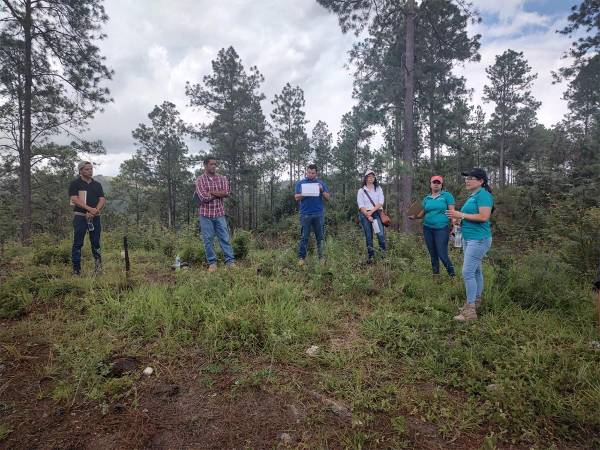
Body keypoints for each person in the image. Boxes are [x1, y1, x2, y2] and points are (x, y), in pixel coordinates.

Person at [446, 168, 494, 322]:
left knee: (467, 272)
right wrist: (459, 220)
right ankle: (476, 302)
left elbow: (484, 217)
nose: (467, 180)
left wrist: (461, 215)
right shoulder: (473, 196)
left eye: (471, 178)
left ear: (481, 181)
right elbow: (471, 216)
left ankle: (470, 312)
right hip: (469, 238)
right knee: (476, 271)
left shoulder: (484, 195)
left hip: (478, 239)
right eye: (466, 178)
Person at [409, 175, 456, 278]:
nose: (436, 184)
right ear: (430, 184)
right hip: (427, 229)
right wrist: (414, 216)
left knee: (442, 253)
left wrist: (454, 224)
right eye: (434, 182)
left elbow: (452, 212)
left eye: (438, 182)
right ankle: (436, 276)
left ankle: (452, 276)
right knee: (433, 254)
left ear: (441, 185)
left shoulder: (446, 196)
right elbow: (422, 214)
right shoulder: (426, 198)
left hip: (442, 228)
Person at [195, 156, 235, 272]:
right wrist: (218, 193)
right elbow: (203, 197)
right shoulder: (200, 180)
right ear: (205, 165)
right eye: (211, 164)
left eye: (215, 164)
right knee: (208, 240)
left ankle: (230, 262)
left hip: (219, 213)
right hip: (205, 214)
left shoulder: (222, 178)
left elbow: (226, 193)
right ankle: (212, 263)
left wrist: (211, 191)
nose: (214, 166)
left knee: (225, 238)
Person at [68, 161, 105, 276]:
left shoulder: (97, 184)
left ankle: (98, 270)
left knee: (96, 243)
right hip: (80, 218)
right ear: (81, 171)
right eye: (87, 169)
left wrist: (95, 211)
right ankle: (76, 271)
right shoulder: (75, 184)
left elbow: (102, 199)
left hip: (95, 218)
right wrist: (89, 209)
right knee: (78, 243)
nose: (90, 171)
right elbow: (74, 199)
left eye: (91, 169)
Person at [294, 164, 330, 266]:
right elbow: (296, 197)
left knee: (320, 237)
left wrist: (322, 190)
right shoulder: (301, 183)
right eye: (309, 172)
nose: (310, 174)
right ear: (306, 172)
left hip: (318, 214)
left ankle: (322, 258)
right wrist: (305, 193)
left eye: (313, 173)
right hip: (305, 214)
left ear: (316, 173)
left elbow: (328, 198)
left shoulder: (321, 183)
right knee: (304, 237)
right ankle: (301, 258)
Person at [357, 169, 386, 264]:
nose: (371, 178)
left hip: (376, 213)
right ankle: (371, 258)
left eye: (372, 176)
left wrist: (371, 213)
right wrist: (367, 215)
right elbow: (361, 205)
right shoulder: (361, 191)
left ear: (374, 178)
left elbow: (380, 202)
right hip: (365, 215)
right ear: (365, 178)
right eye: (369, 177)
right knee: (369, 237)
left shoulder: (378, 189)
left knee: (380, 235)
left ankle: (383, 257)